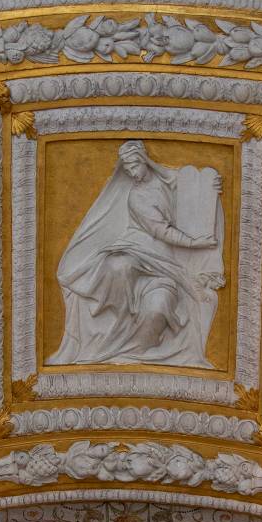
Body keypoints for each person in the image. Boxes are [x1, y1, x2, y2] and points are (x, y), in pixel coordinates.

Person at [49, 140, 224, 368]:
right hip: (136, 255)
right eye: (128, 169)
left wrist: (209, 189)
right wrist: (194, 243)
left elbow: (188, 187)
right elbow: (161, 231)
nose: (132, 173)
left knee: (158, 309)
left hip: (163, 269)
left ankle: (135, 353)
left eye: (134, 166)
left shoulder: (167, 179)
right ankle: (120, 313)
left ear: (144, 161)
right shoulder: (137, 197)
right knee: (118, 265)